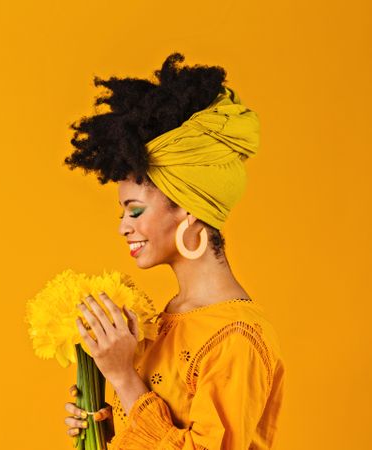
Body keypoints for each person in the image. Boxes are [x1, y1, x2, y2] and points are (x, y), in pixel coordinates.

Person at [61, 52, 285, 449]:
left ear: (187, 209)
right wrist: (104, 425)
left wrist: (124, 378)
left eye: (135, 210)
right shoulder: (168, 318)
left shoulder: (235, 338)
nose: (123, 226)